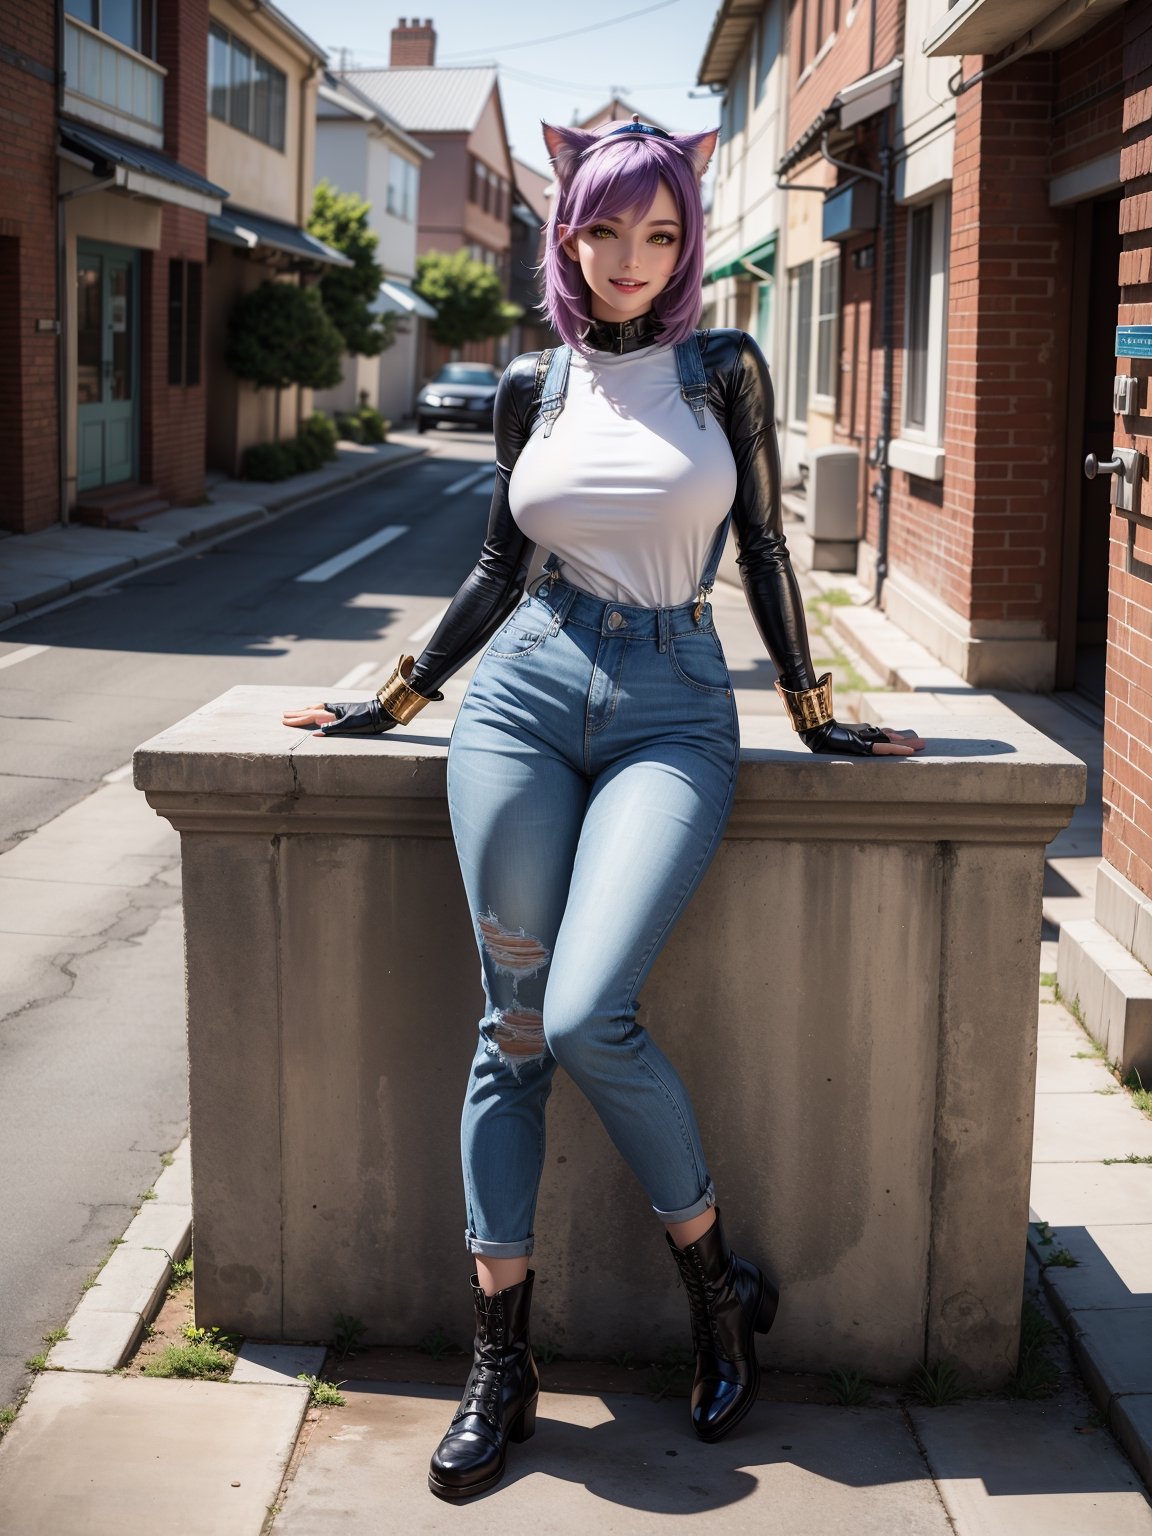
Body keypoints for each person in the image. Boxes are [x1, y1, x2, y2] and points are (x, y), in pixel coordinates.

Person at [284, 115, 924, 1501]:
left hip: (674, 701)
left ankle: (715, 1286)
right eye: (605, 228)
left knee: (585, 1012)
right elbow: (496, 566)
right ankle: (500, 1361)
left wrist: (816, 711)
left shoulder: (724, 368)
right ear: (566, 233)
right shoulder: (532, 382)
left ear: (687, 243)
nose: (633, 256)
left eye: (661, 232)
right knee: (511, 1026)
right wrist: (394, 701)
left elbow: (759, 547)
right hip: (520, 697)